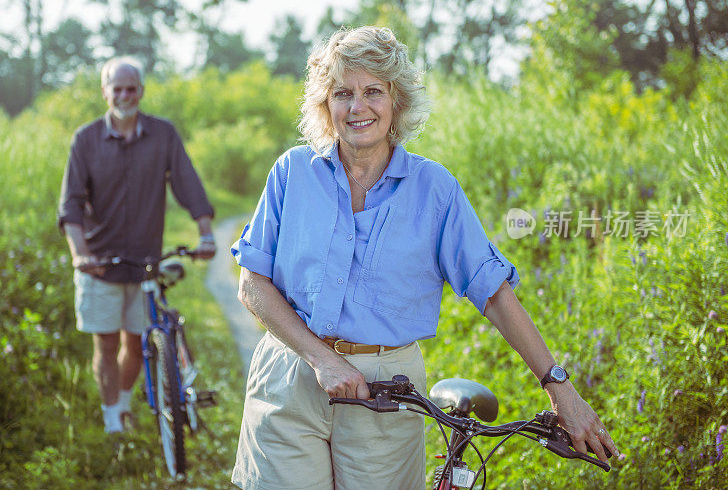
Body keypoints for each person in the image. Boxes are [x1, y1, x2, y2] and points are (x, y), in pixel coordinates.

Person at [230, 27, 620, 489]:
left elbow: (491, 292)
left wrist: (560, 388)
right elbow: (253, 283)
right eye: (342, 94)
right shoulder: (291, 172)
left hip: (386, 394)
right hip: (290, 376)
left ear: (396, 101)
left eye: (373, 91)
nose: (358, 107)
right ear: (325, 105)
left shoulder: (434, 189)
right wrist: (320, 359)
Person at [57, 56, 215, 435]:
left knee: (136, 342)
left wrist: (206, 232)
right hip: (100, 264)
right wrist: (80, 253)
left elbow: (187, 184)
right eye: (117, 88)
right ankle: (112, 421)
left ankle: (124, 405)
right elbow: (71, 204)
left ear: (141, 91)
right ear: (105, 92)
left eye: (131, 88)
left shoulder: (162, 135)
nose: (124, 95)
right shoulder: (86, 139)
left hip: (144, 263)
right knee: (106, 345)